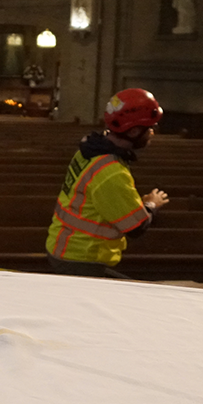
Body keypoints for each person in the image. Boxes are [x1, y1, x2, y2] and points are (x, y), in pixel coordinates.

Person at [46, 88, 170, 278]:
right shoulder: (111, 171)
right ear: (134, 131)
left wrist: (138, 204)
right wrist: (152, 204)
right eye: (149, 128)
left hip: (64, 246)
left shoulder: (89, 151)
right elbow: (136, 227)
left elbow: (99, 199)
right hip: (81, 259)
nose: (152, 133)